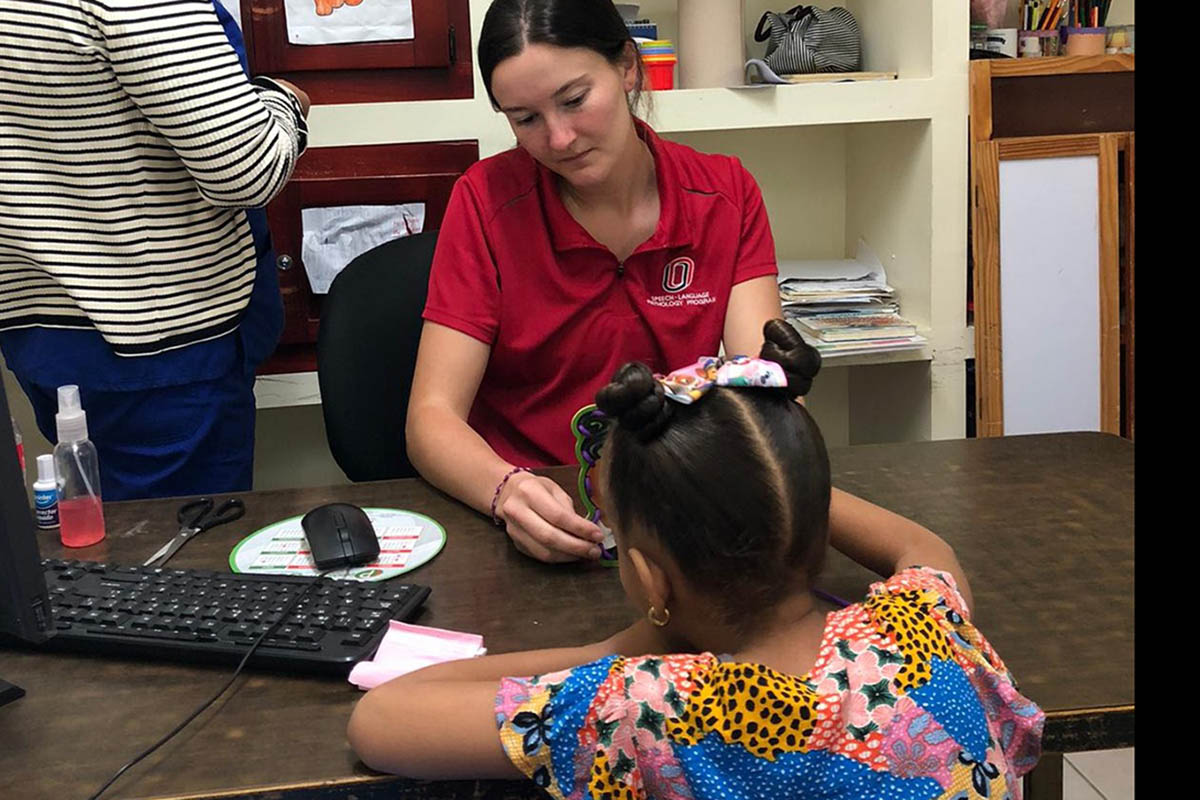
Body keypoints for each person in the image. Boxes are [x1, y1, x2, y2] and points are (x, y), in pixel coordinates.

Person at [348, 320, 1044, 797]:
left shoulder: (643, 704)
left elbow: (382, 720)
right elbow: (924, 548)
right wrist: (770, 483)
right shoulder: (925, 626)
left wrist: (618, 644)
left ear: (652, 579)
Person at [408, 0, 946, 569]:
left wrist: (777, 396)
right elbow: (431, 419)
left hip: (683, 513)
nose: (560, 139)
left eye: (574, 100)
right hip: (536, 520)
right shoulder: (485, 203)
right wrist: (508, 491)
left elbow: (764, 393)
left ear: (628, 67)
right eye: (525, 119)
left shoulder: (725, 195)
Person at [0, 0, 309, 501]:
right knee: (184, 557)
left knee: (109, 536)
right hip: (161, 350)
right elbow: (246, 169)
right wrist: (285, 103)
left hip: (43, 333)